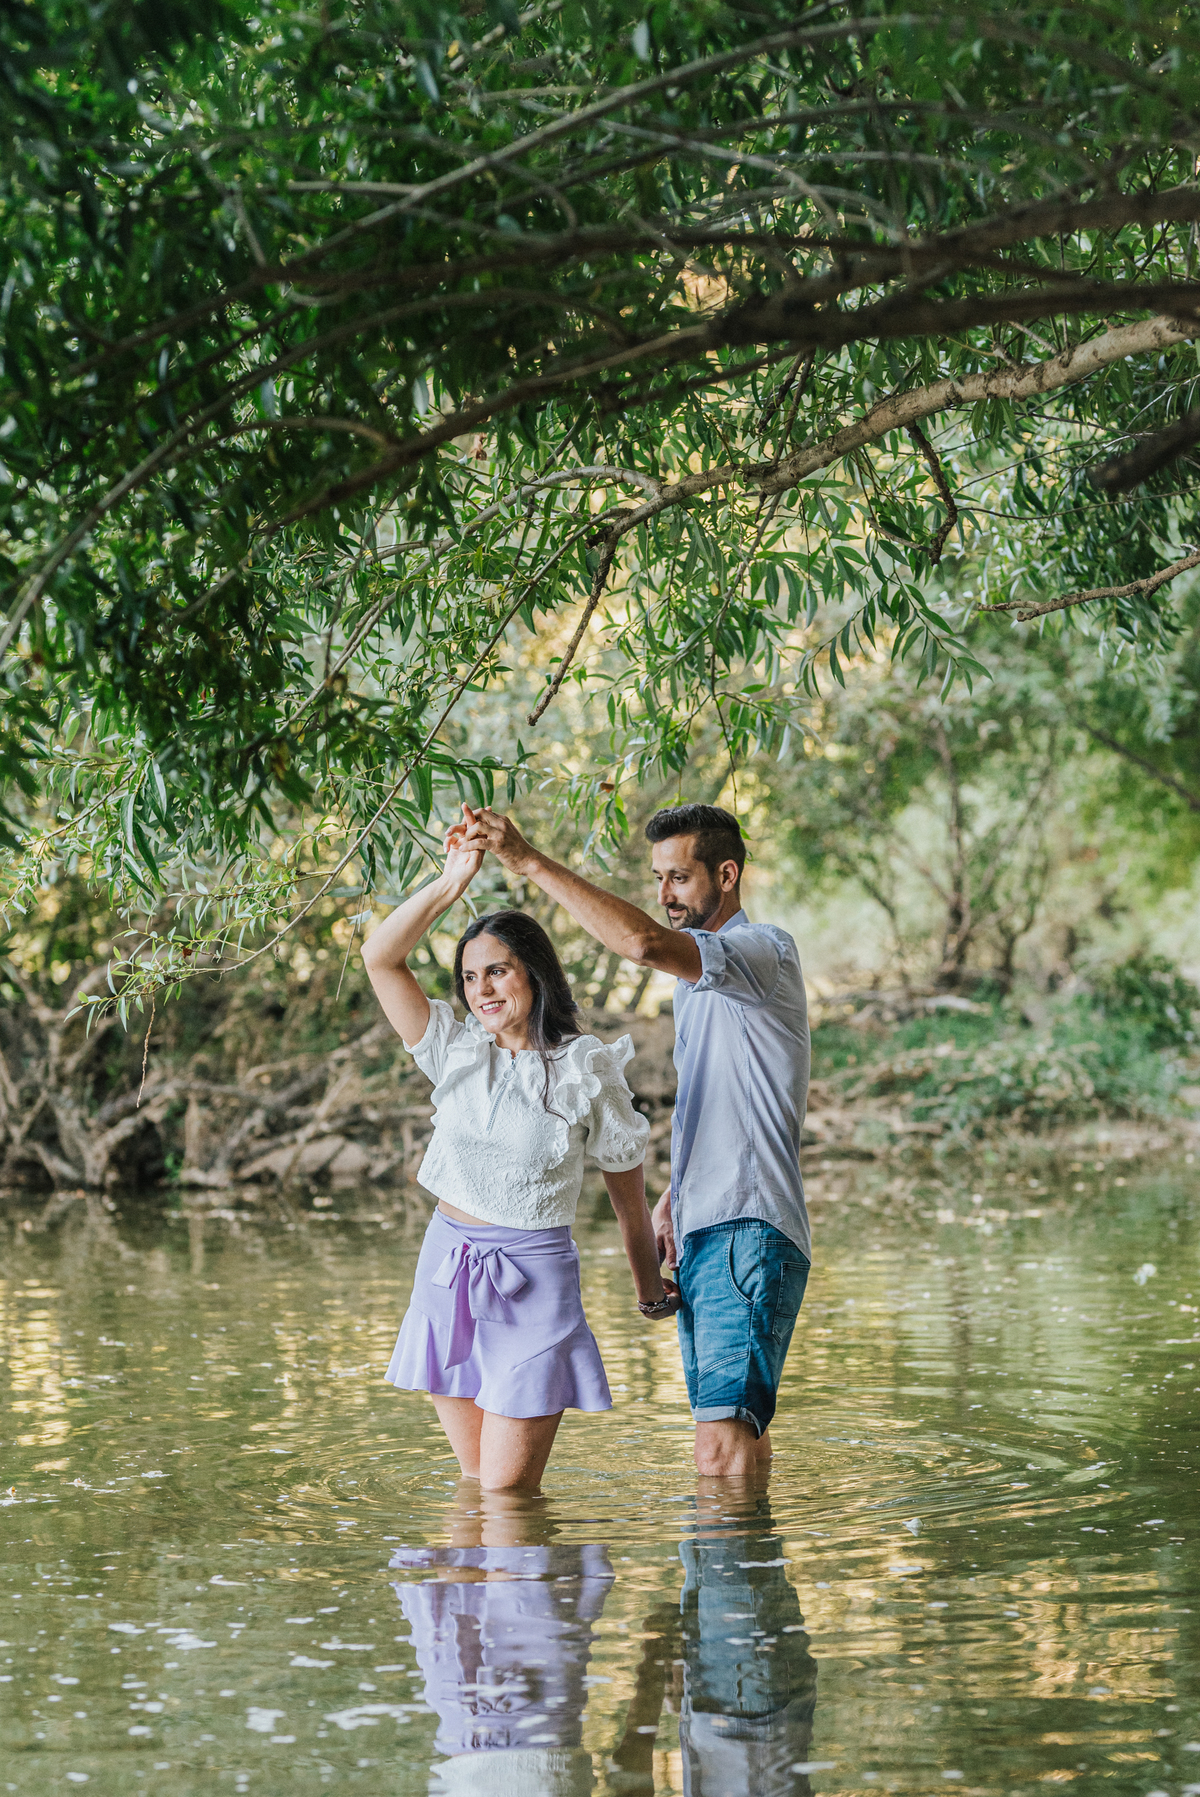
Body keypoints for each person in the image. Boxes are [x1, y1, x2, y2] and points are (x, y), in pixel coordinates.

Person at [456, 801, 811, 1479]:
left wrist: (526, 859)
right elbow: (716, 1096)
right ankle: (739, 1578)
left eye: (678, 878)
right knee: (736, 1439)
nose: (663, 895)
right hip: (712, 1223)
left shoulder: (763, 950)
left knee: (718, 1445)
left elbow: (642, 942)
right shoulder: (698, 986)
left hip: (749, 1223)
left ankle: (730, 1574)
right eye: (657, 878)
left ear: (727, 873)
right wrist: (676, 1195)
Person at [361, 828, 677, 1495]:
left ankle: (526, 1592)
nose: (482, 988)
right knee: (477, 1485)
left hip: (534, 1283)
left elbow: (627, 1201)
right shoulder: (452, 1049)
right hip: (448, 1270)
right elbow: (379, 956)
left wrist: (650, 1291)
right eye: (470, 976)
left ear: (534, 970)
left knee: (507, 1492)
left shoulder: (587, 1067)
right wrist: (452, 881)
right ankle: (477, 1598)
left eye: (497, 969)